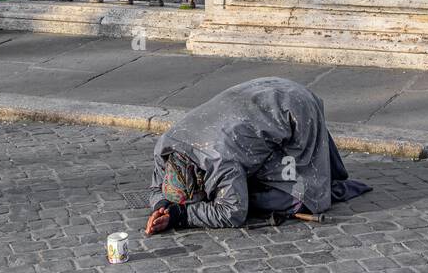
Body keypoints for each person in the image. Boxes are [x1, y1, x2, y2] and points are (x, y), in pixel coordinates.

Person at [145, 76, 371, 233]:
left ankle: (314, 184)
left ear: (202, 179)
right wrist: (162, 206)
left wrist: (182, 216)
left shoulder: (220, 160)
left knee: (292, 199)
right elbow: (156, 188)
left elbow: (232, 212)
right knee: (245, 180)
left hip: (293, 108)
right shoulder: (166, 147)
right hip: (261, 91)